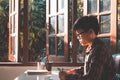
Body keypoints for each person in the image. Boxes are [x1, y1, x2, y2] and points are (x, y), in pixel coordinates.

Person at [59, 15, 116, 80]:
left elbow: (91, 78)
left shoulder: (99, 50)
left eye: (79, 34)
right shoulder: (92, 47)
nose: (78, 38)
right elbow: (91, 68)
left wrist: (66, 77)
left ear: (90, 32)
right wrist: (73, 71)